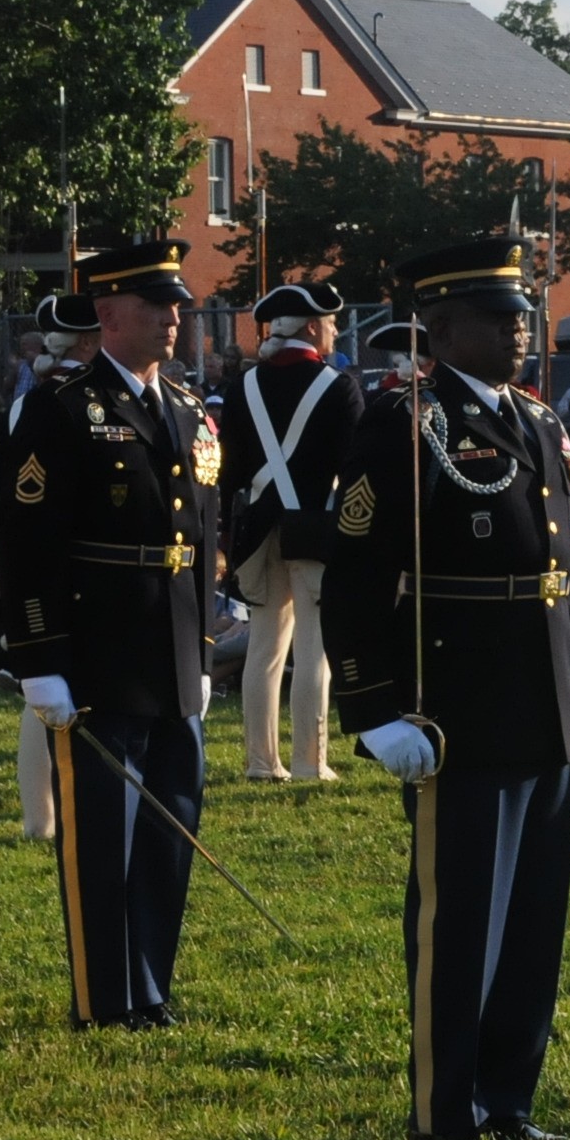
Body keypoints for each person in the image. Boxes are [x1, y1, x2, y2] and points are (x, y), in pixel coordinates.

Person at [322, 233, 570, 1140]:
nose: (518, 332)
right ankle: (446, 1112)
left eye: (522, 316)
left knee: (529, 922)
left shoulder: (537, 420)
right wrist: (370, 711)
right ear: (436, 328)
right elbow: (355, 578)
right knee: (461, 919)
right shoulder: (405, 423)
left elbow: (555, 568)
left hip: (538, 698)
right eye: (496, 318)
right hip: (456, 704)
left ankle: (507, 1100)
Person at [0, 241, 225, 1032]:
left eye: (178, 306)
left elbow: (200, 536)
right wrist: (40, 660)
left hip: (171, 649)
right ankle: (104, 995)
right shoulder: (63, 412)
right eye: (157, 306)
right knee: (103, 834)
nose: (174, 319)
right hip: (97, 650)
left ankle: (149, 985)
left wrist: (200, 652)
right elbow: (25, 543)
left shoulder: (189, 411)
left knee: (170, 825)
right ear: (108, 314)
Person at [219, 282, 364, 783]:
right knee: (312, 648)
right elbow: (355, 468)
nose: (333, 332)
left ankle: (261, 761)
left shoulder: (242, 386)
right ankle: (309, 760)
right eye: (328, 324)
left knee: (263, 647)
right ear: (309, 327)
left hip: (258, 525)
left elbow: (229, 469)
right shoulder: (339, 386)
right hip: (317, 524)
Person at [0, 293, 98, 842]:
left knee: (44, 696)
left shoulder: (30, 396)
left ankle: (42, 817)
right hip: (62, 562)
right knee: (45, 694)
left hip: (48, 559)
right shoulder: (55, 400)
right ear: (85, 341)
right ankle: (42, 817)